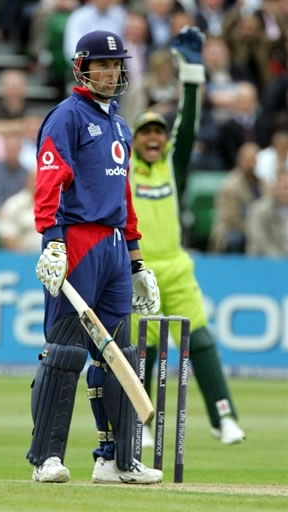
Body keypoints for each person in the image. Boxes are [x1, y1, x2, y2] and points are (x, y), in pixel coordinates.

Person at [27, 30, 162, 485]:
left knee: (118, 354)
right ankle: (45, 458)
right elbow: (49, 180)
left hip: (114, 247)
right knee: (66, 352)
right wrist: (52, 240)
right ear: (82, 68)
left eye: (116, 64)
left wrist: (137, 259)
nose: (110, 72)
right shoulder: (66, 117)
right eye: (102, 64)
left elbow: (124, 193)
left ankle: (115, 460)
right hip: (78, 242)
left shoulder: (121, 125)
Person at [130, 26, 245, 447]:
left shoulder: (170, 169)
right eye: (146, 133)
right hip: (138, 272)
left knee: (199, 339)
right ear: (135, 139)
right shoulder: (124, 171)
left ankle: (224, 417)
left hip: (176, 268)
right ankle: (139, 423)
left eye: (159, 132)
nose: (155, 138)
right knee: (146, 351)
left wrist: (191, 70)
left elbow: (190, 122)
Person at [246, 171, 288, 256]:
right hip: (266, 263)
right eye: (285, 187)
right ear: (276, 188)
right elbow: (259, 242)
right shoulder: (258, 211)